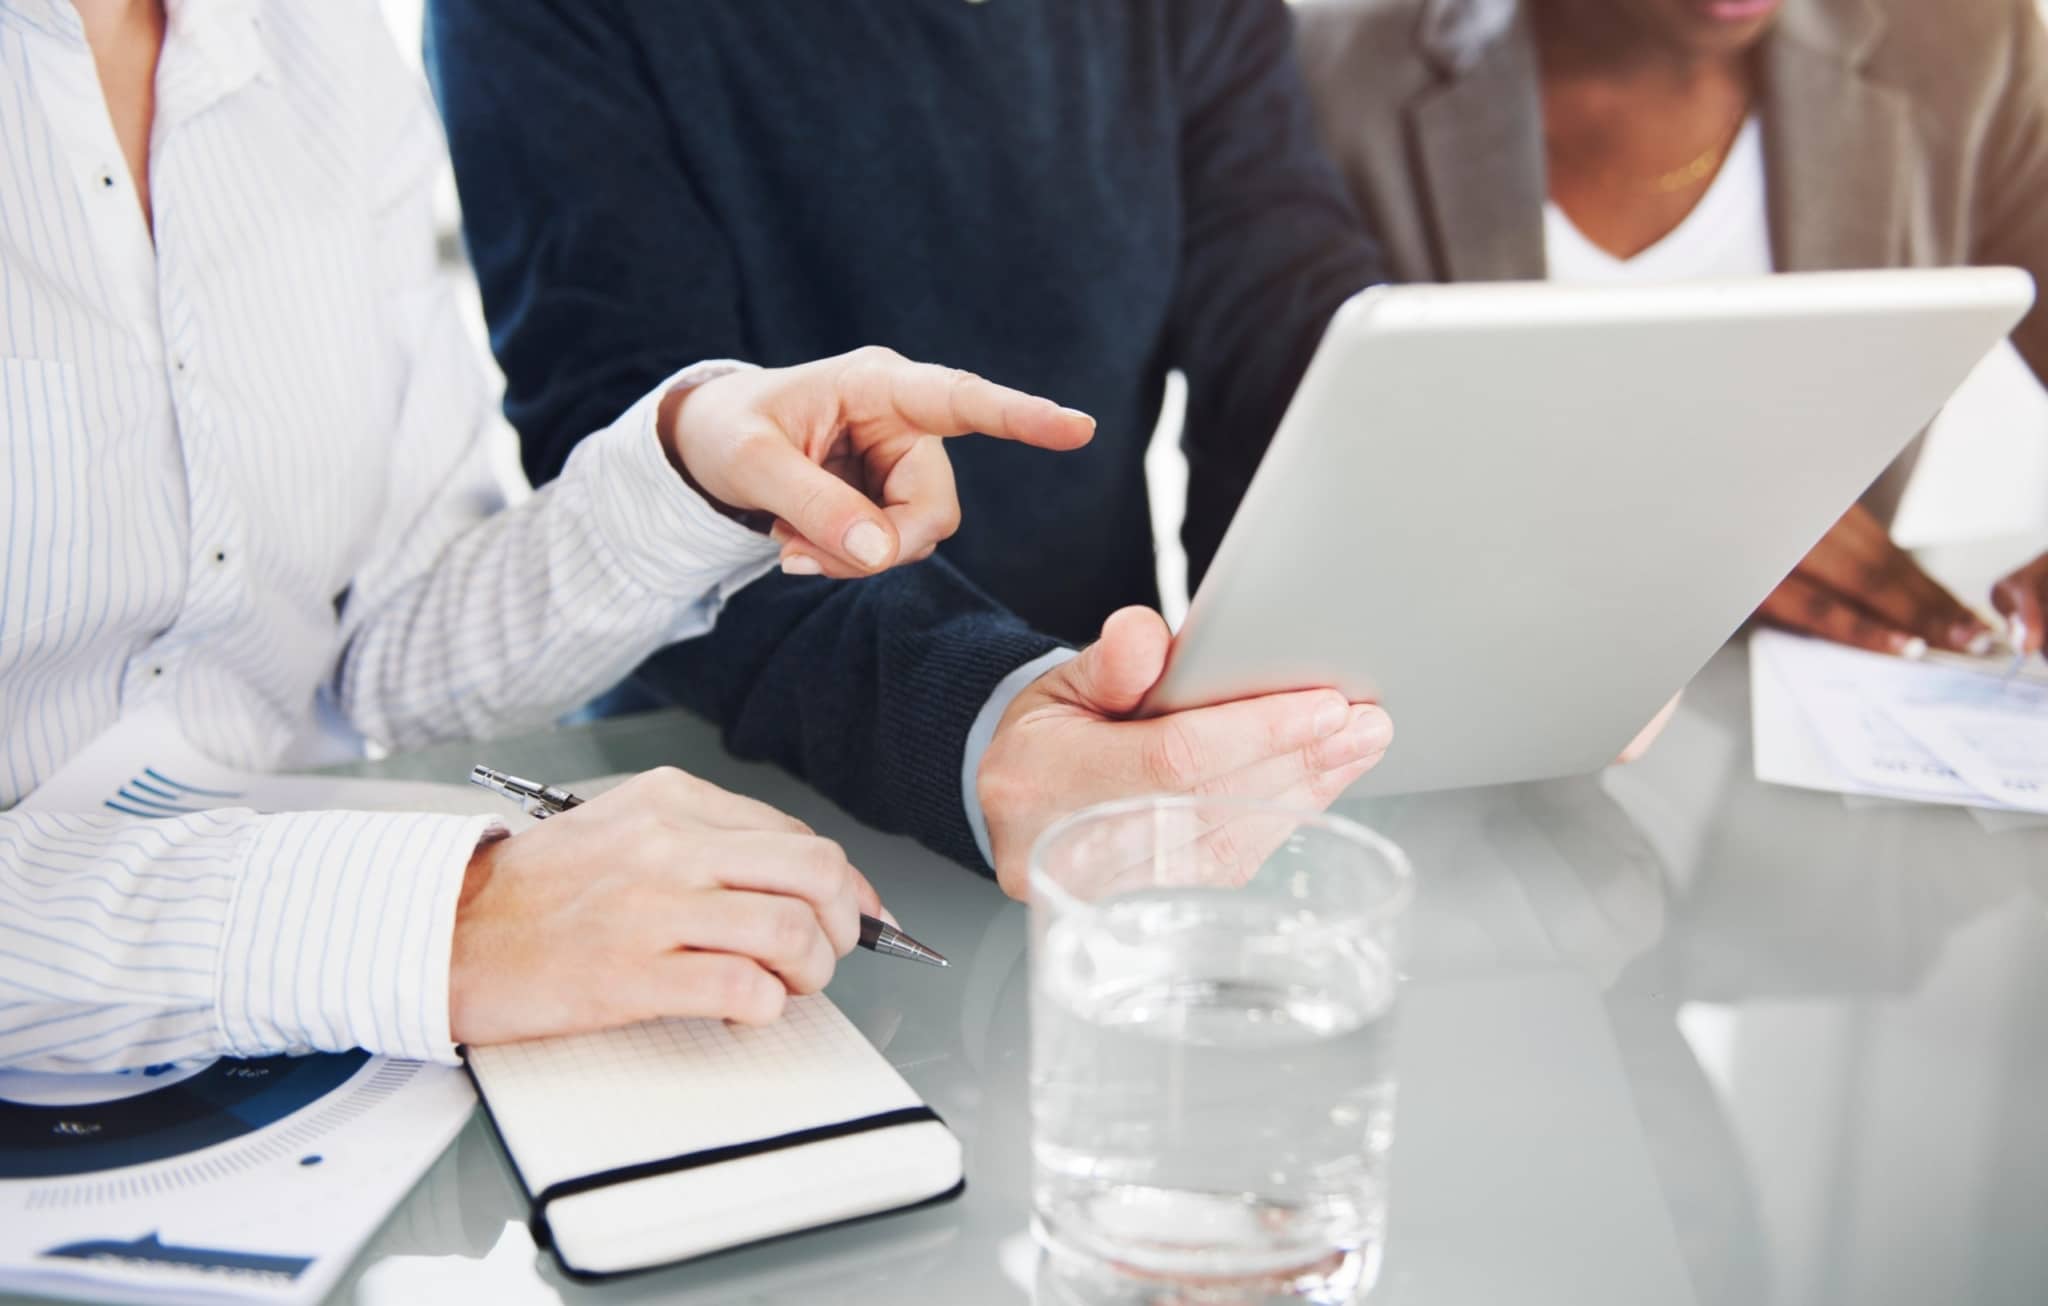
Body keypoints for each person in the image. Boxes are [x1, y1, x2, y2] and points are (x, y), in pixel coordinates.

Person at [0, 0, 1113, 1071]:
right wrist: (441, 921)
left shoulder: (318, 44)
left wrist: (690, 473)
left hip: (309, 1052)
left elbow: (383, 657)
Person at [424, 0, 1399, 892]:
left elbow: (1276, 316)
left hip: (1122, 757)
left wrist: (1286, 638)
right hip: (712, 797)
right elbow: (633, 454)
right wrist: (984, 724)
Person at [1296, 0, 2048, 660]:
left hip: (1810, 727)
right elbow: (1285, 506)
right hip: (1442, 701)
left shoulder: (1972, 42)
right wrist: (1673, 521)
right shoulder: (1324, 73)